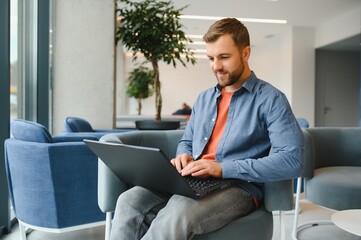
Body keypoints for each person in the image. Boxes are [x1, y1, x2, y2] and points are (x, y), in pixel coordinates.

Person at [109, 18, 304, 240]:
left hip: (238, 186)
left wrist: (221, 169)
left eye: (224, 57)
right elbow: (187, 141)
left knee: (180, 210)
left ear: (246, 53)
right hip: (192, 180)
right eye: (211, 58)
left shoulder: (271, 99)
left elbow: (292, 161)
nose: (216, 66)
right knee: (129, 200)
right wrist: (183, 154)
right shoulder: (204, 99)